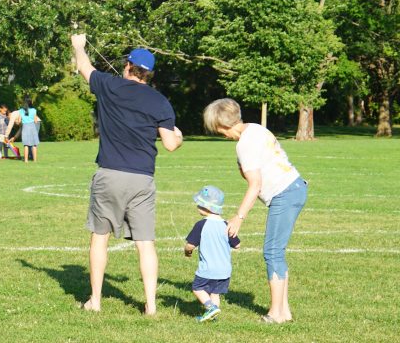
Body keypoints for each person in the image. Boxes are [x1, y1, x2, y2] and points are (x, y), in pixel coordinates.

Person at [71, 33, 183, 315]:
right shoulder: (160, 101)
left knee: (100, 237)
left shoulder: (109, 85)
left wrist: (78, 45)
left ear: (127, 66)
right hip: (141, 179)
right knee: (146, 244)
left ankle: (95, 301)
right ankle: (152, 306)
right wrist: (179, 136)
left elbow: (84, 67)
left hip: (108, 175)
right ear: (149, 74)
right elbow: (170, 144)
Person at [203, 98, 308, 324]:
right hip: (295, 187)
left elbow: (255, 184)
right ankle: (284, 311)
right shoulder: (256, 129)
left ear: (223, 125)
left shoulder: (244, 145)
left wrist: (239, 217)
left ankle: (275, 314)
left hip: (285, 193)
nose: (220, 135)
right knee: (276, 251)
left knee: (272, 252)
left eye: (218, 130)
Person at [184, 185, 241, 322]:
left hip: (208, 269)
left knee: (197, 288)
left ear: (206, 207)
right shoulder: (226, 225)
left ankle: (211, 308)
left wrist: (187, 251)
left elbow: (190, 245)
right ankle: (213, 317)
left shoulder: (201, 225)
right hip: (224, 270)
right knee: (215, 293)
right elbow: (237, 244)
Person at [5, 96, 41, 163]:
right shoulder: (33, 110)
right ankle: (33, 159)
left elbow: (14, 123)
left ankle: (27, 159)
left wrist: (6, 136)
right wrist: (15, 137)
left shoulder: (17, 112)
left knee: (27, 144)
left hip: (29, 125)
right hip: (32, 125)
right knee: (33, 144)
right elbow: (34, 122)